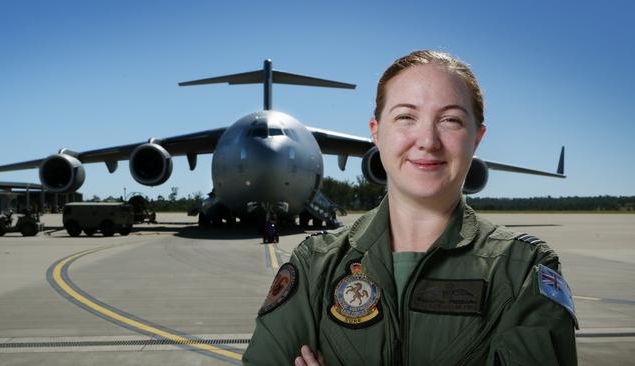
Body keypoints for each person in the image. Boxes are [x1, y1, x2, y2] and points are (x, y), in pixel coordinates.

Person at [242, 50, 578, 365]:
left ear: (477, 138)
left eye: (451, 120)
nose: (428, 141)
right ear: (376, 133)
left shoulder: (521, 271)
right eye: (406, 117)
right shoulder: (317, 262)